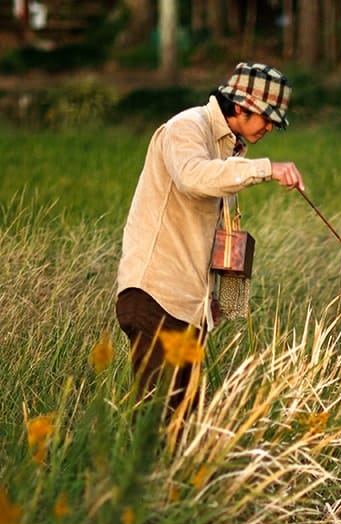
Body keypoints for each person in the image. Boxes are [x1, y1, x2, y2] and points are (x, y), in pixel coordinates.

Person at [115, 61, 305, 411]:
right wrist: (267, 169)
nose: (269, 127)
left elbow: (212, 231)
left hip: (189, 306)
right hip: (156, 296)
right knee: (155, 425)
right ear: (240, 106)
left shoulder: (230, 148)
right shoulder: (187, 127)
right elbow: (192, 177)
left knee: (184, 424)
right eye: (266, 118)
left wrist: (215, 298)